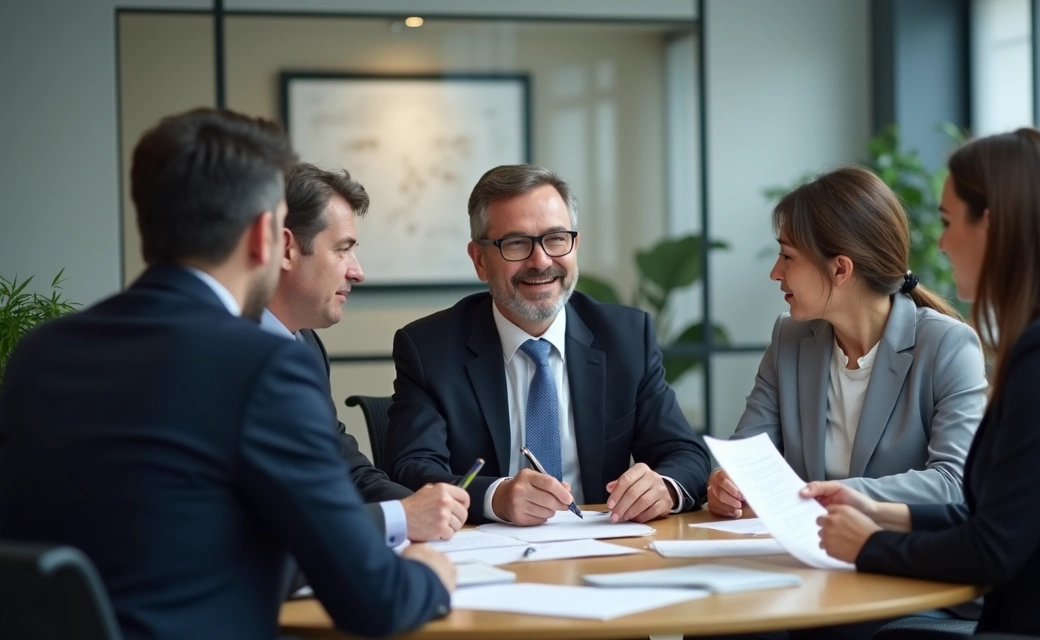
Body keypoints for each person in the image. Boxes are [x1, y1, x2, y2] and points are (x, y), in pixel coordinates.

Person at [0, 108, 454, 640]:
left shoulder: (42, 352)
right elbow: (376, 603)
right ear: (268, 236)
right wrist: (430, 576)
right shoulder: (263, 366)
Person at [811, 128, 1040, 640]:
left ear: (990, 223)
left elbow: (992, 551)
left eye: (948, 222)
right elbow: (1000, 517)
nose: (941, 243)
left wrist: (867, 545)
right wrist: (886, 514)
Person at [385, 164, 711, 525]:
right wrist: (496, 496)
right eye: (516, 243)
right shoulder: (429, 348)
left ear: (575, 245)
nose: (541, 261)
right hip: (487, 555)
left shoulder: (626, 337)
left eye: (556, 239)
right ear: (480, 259)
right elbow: (411, 468)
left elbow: (685, 453)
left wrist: (663, 487)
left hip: (604, 548)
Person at [707, 166, 986, 523]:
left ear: (841, 269)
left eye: (788, 256)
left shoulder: (948, 347)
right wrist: (727, 485)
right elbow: (748, 458)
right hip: (804, 563)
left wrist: (836, 496)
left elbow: (955, 482)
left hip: (899, 562)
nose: (775, 272)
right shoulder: (788, 340)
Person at [261, 162, 469, 544]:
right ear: (288, 249)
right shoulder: (220, 356)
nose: (357, 272)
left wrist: (420, 509)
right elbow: (268, 519)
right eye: (343, 250)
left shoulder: (305, 344)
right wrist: (399, 518)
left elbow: (347, 469)